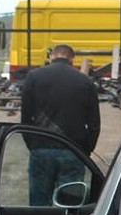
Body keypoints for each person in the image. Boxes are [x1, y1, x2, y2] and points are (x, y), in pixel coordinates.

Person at [21, 44, 101, 206]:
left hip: (41, 147)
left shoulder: (34, 77)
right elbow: (94, 123)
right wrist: (85, 151)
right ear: (72, 59)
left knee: (39, 203)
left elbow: (25, 117)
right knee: (70, 205)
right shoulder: (84, 81)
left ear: (51, 56)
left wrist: (33, 144)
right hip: (73, 149)